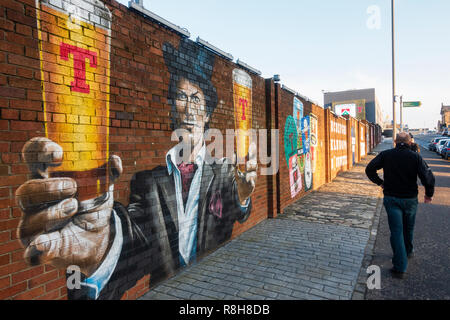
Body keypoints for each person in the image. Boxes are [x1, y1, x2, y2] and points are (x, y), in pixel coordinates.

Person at [15, 39, 257, 299]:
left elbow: (238, 213)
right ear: (171, 109)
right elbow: (136, 243)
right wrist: (100, 248)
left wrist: (242, 197)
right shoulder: (148, 182)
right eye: (181, 97)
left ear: (208, 113)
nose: (189, 109)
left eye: (197, 100)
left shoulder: (223, 172)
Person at [365, 132, 435, 279]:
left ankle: (400, 266)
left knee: (396, 231)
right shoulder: (415, 157)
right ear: (410, 142)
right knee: (408, 228)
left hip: (392, 198)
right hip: (410, 199)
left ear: (395, 141)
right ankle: (408, 251)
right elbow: (428, 177)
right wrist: (428, 194)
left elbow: (369, 169)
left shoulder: (386, 155)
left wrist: (380, 182)